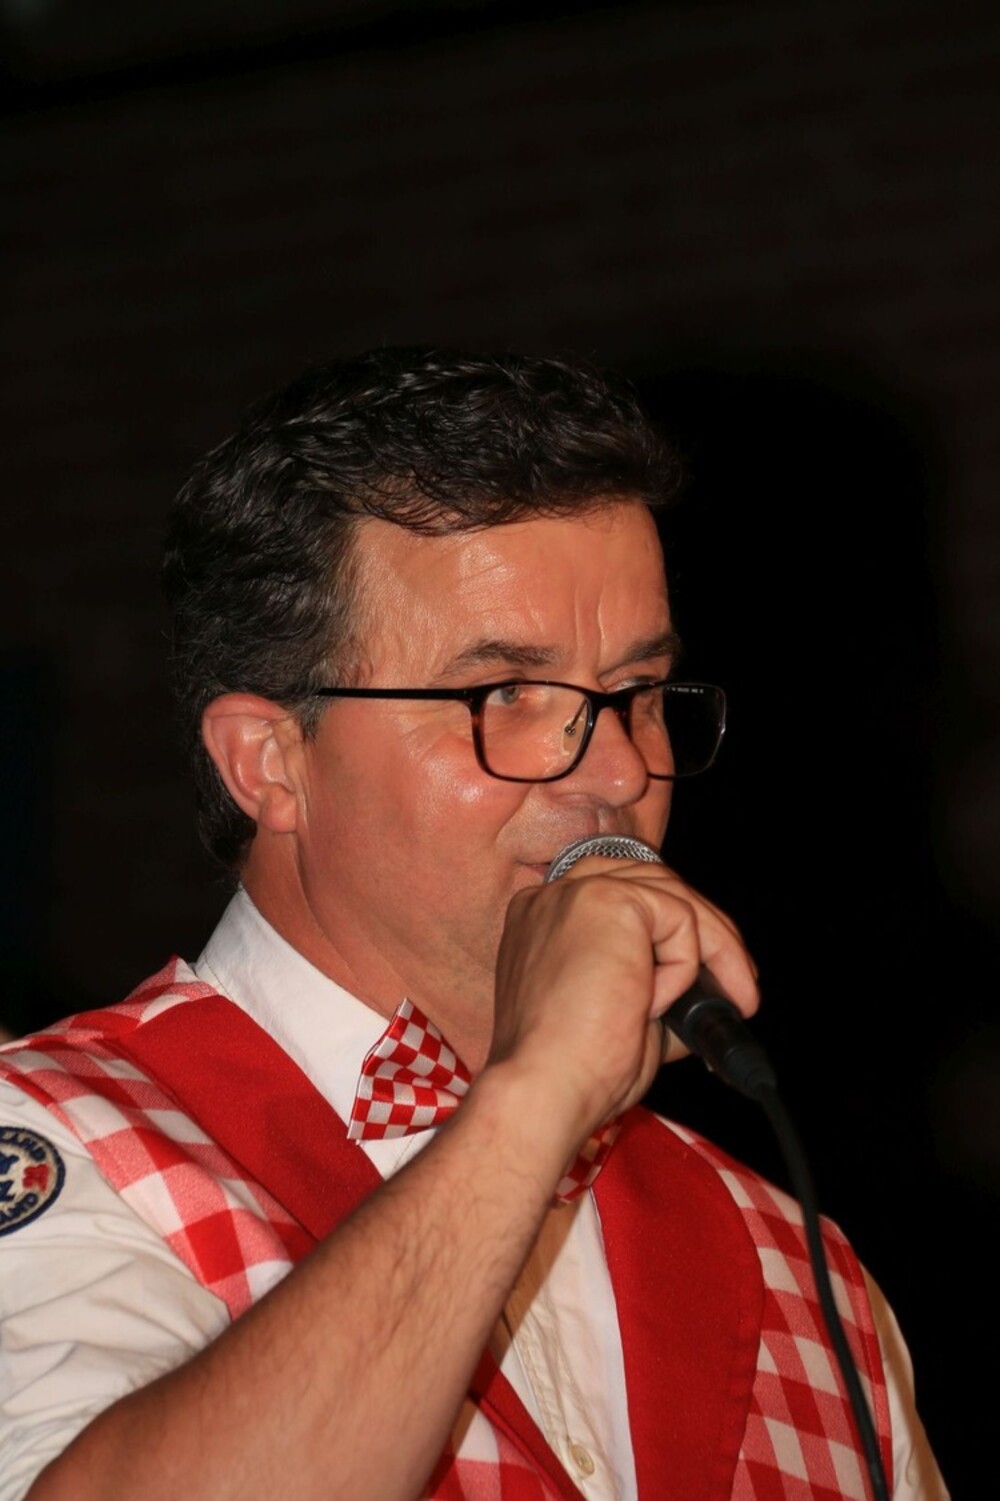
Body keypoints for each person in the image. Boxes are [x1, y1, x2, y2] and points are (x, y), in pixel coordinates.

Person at [0, 348, 946, 1500]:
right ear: (269, 761)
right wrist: (535, 1096)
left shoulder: (796, 1266)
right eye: (504, 694)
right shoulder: (55, 1137)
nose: (616, 772)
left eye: (637, 694)